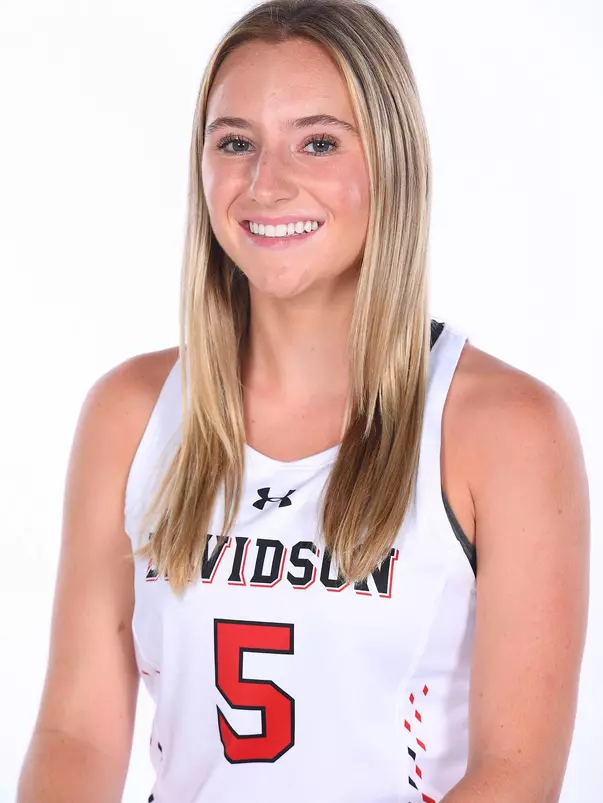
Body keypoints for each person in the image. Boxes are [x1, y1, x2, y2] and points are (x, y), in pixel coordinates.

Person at [17, 1, 590, 801]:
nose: (266, 184)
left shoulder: (507, 429)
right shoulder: (129, 413)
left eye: (317, 142)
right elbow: (75, 732)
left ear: (390, 159)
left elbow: (515, 772)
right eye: (235, 142)